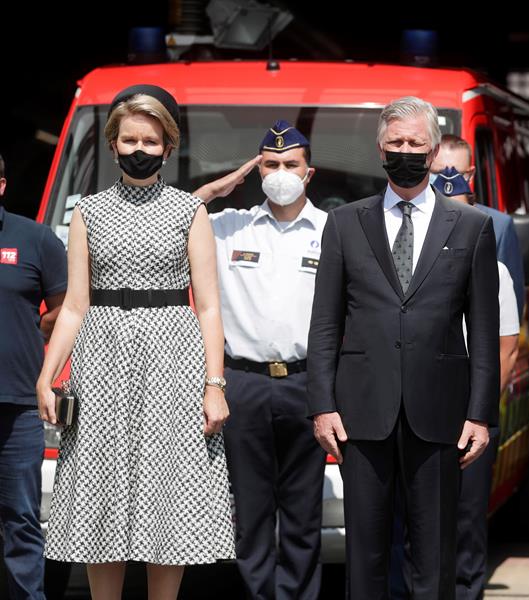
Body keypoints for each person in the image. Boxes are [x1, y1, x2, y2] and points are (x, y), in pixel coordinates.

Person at [35, 84, 234, 600]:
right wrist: (46, 375)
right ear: (113, 144)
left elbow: (209, 305)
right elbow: (75, 305)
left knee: (168, 486)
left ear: (168, 147)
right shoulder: (87, 212)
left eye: (150, 141)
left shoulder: (189, 211)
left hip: (173, 351)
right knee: (102, 486)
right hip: (101, 354)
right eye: (129, 140)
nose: (139, 150)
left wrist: (215, 384)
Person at [306, 96, 500, 598]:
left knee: (434, 556)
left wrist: (480, 414)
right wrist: (322, 405)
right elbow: (325, 323)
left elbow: (482, 330)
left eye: (416, 143)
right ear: (379, 150)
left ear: (434, 152)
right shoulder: (345, 223)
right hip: (362, 412)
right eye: (396, 143)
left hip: (440, 414)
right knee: (365, 555)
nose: (406, 151)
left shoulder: (473, 227)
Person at [191, 121, 327, 599]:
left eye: (291, 164)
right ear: (257, 169)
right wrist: (215, 189)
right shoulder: (228, 226)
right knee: (249, 514)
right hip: (242, 383)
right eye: (271, 164)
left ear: (309, 173)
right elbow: (172, 221)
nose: (281, 172)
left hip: (309, 383)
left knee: (303, 513)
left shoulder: (334, 231)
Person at [391, 167, 520, 600]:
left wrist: (478, 411)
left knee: (465, 522)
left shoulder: (495, 270)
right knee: (412, 521)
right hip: (415, 406)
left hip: (467, 412)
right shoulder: (404, 261)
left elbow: (505, 349)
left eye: (461, 211)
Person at [0, 153, 67, 600]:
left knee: (20, 519)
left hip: (17, 406)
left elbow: (65, 310)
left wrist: (34, 334)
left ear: (2, 185)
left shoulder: (37, 238)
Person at [430, 134, 525, 317]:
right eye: (437, 174)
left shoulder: (498, 226)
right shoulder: (410, 220)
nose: (448, 182)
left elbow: (511, 310)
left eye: (458, 175)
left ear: (471, 174)